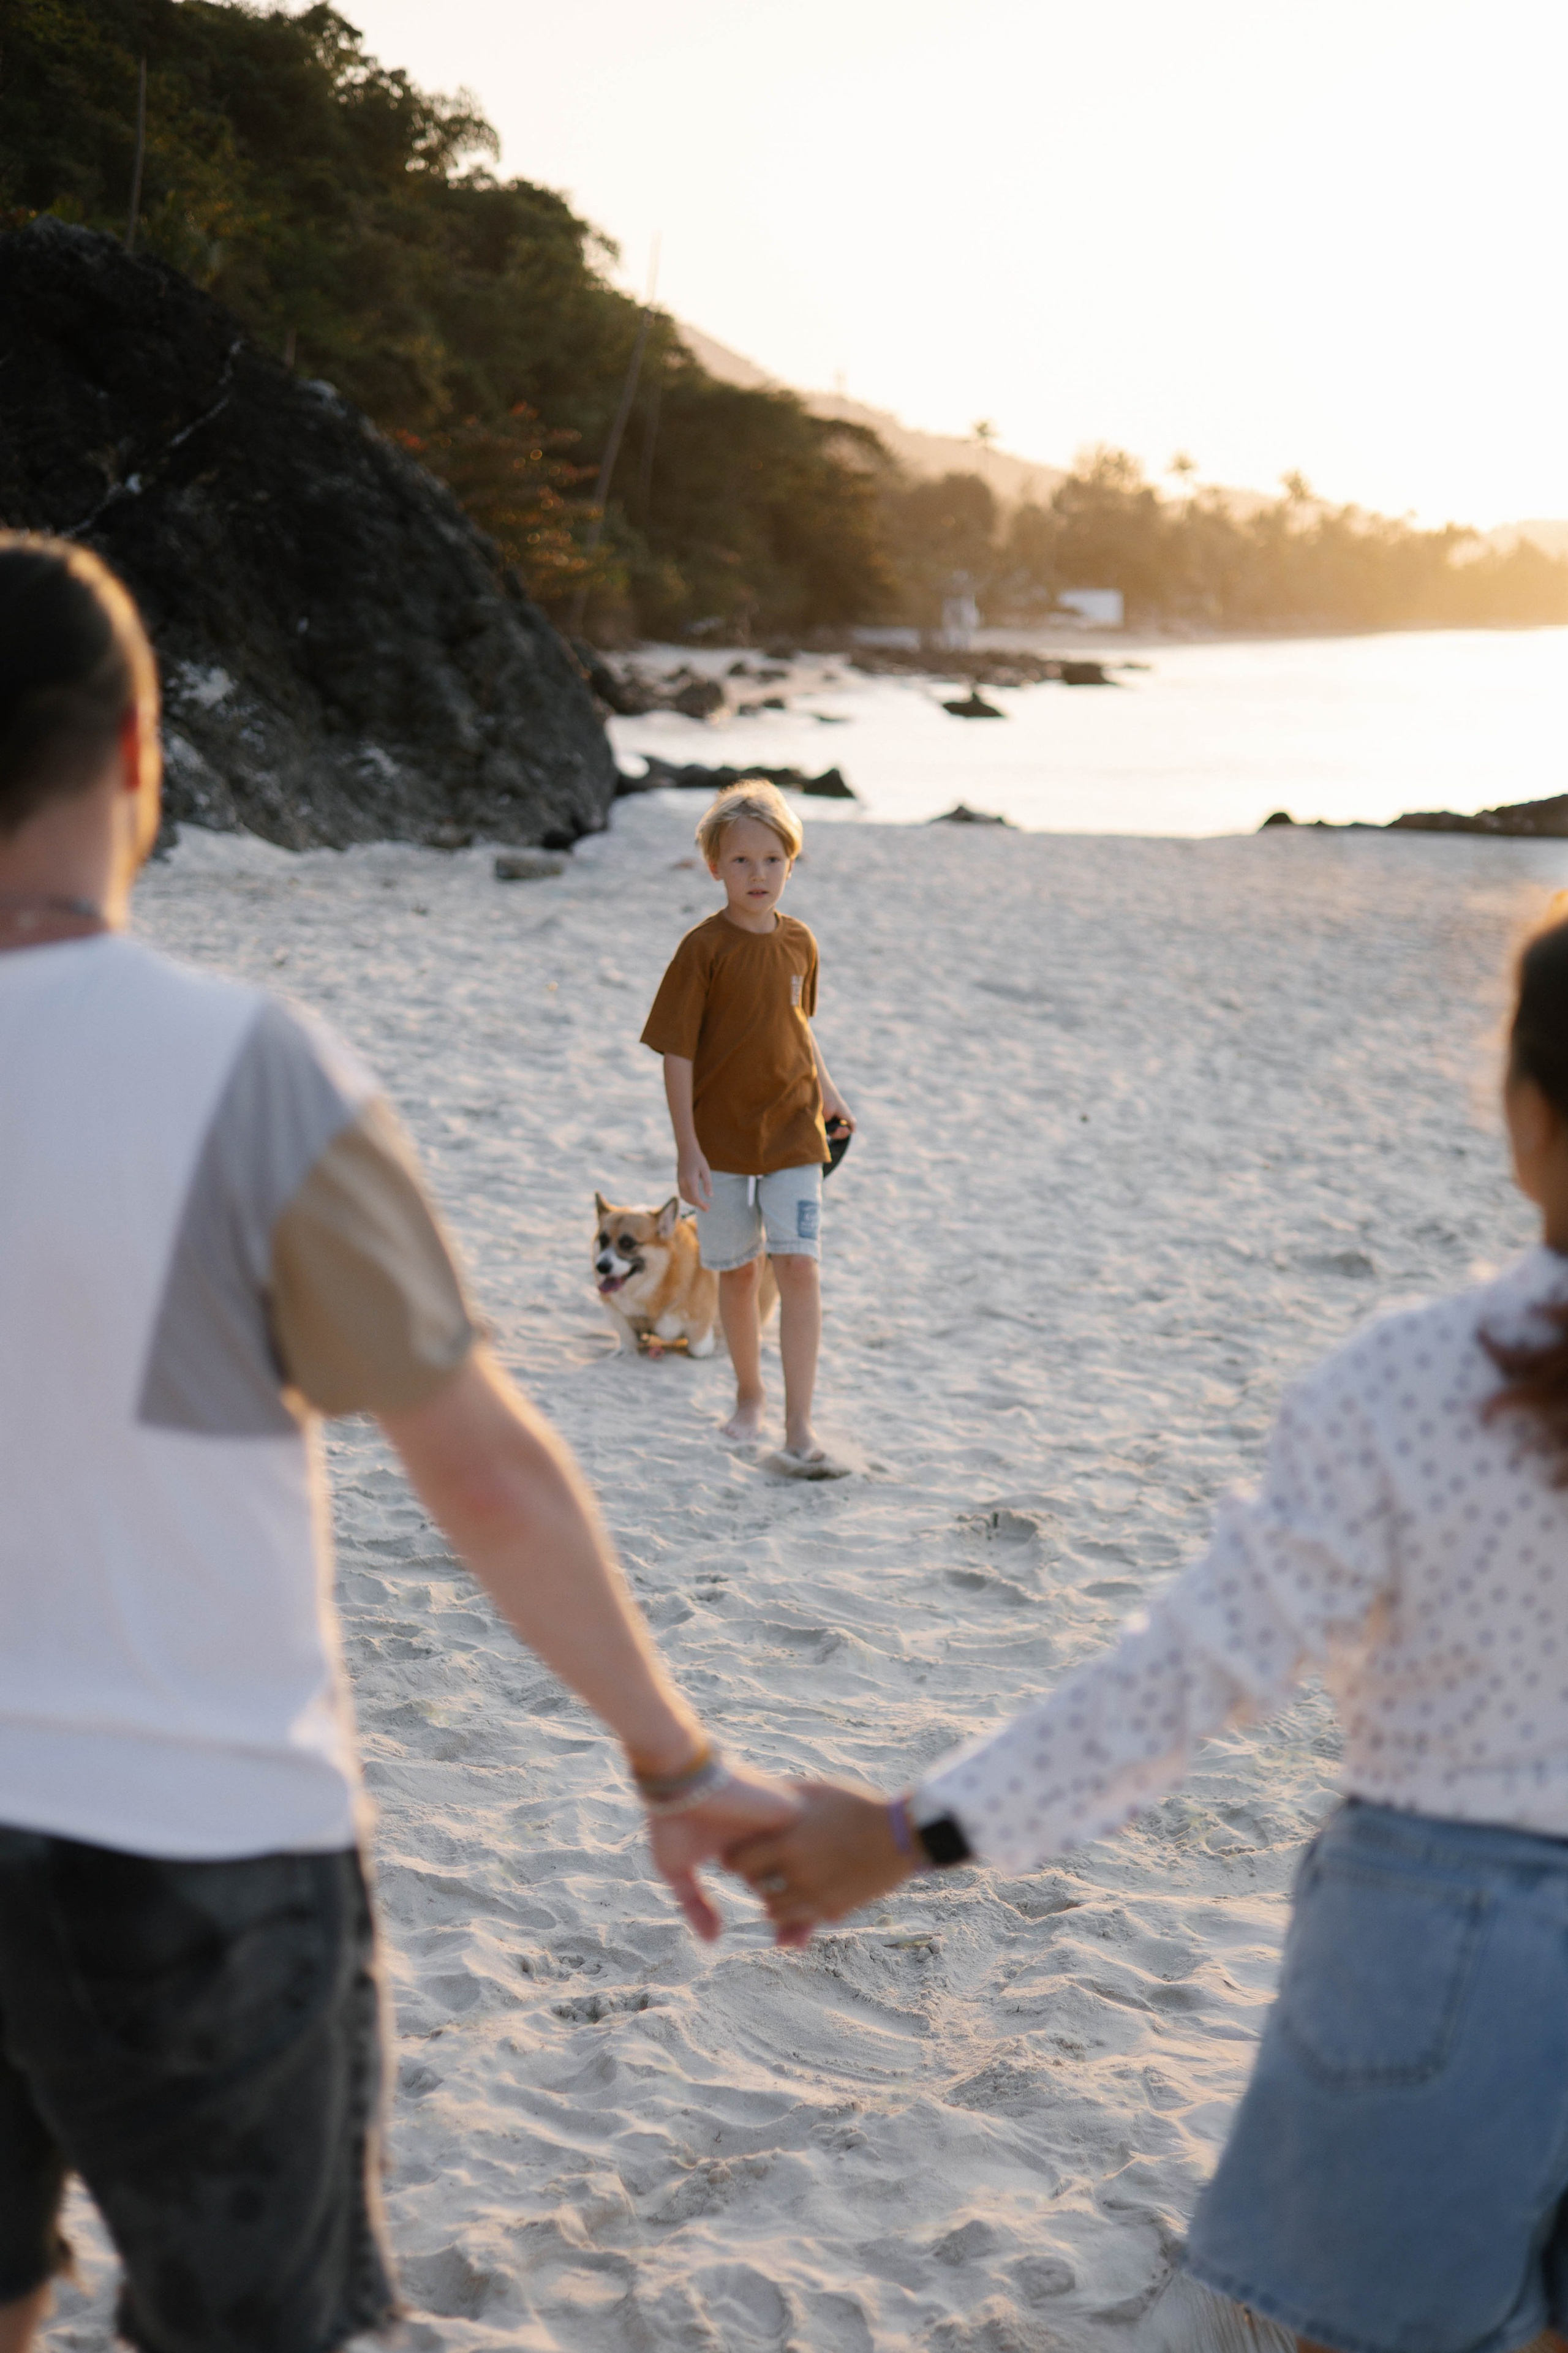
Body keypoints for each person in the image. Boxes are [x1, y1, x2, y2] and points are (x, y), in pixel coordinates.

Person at [0, 535, 794, 2353]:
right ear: (141, 757)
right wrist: (672, 1757)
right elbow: (487, 1470)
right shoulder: (249, 1068)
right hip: (193, 1840)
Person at [735, 904, 1568, 2353]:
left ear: (1519, 1113)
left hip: (1433, 1941)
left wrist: (906, 1829)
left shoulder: (1405, 1381)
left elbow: (1183, 1676)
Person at [640, 779, 854, 1474]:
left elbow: (797, 1027)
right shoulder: (703, 949)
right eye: (741, 861)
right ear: (714, 867)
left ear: (791, 862)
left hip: (794, 1131)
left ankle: (798, 1423)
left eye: (771, 859)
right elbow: (678, 1051)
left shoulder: (800, 942)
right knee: (736, 1276)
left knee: (798, 1265)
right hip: (723, 1141)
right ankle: (749, 1396)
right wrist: (687, 1148)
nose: (757, 874)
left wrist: (826, 1090)